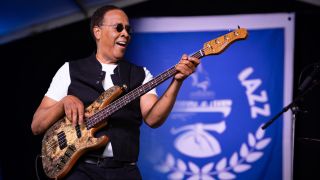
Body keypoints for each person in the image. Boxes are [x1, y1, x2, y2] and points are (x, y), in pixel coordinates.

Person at [31, 5, 200, 180]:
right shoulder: (70, 70)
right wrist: (63, 102)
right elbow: (37, 125)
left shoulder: (140, 74)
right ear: (97, 32)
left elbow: (153, 119)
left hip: (124, 171)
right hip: (80, 172)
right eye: (118, 28)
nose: (125, 34)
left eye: (128, 29)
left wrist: (177, 81)